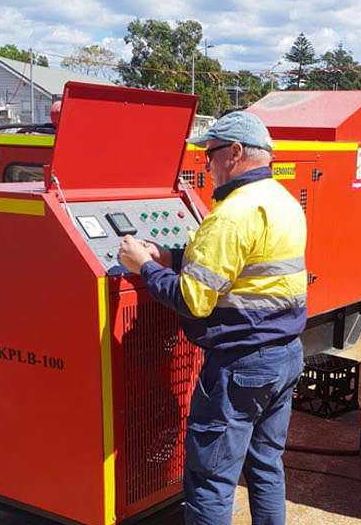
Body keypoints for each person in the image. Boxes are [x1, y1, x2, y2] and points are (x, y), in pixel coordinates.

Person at [118, 111, 307, 525]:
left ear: (235, 152)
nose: (207, 164)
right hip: (286, 357)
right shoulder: (283, 201)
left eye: (211, 154)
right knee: (266, 466)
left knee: (210, 481)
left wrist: (143, 267)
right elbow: (240, 263)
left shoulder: (231, 214)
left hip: (242, 367)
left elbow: (192, 301)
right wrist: (171, 256)